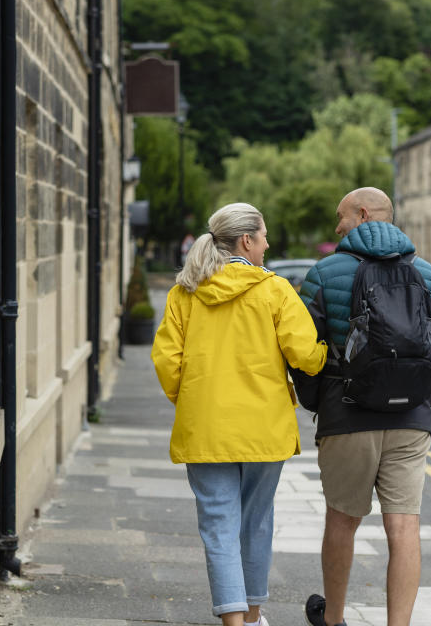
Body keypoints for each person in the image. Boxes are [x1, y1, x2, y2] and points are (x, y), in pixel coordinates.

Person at [291, 187, 431, 626]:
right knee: (404, 527)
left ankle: (332, 620)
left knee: (342, 520)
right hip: (410, 422)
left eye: (341, 217)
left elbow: (302, 352)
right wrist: (420, 400)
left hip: (346, 416)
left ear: (363, 215)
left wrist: (322, 404)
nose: (337, 227)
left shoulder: (325, 272)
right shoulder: (428, 274)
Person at [151, 202, 327, 626]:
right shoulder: (275, 290)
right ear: (246, 240)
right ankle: (251, 616)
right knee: (256, 520)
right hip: (264, 428)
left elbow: (166, 361)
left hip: (206, 426)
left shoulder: (184, 293)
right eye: (264, 237)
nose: (267, 245)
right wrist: (324, 356)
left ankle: (235, 624)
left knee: (217, 525)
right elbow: (304, 354)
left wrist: (193, 401)